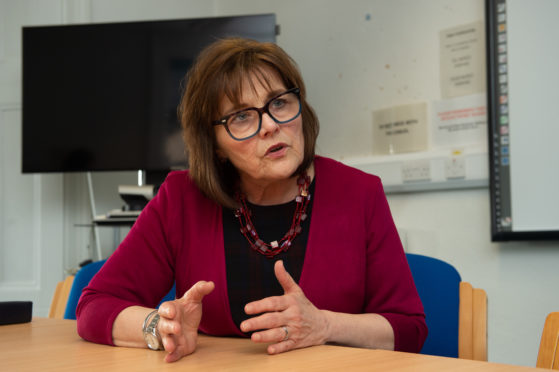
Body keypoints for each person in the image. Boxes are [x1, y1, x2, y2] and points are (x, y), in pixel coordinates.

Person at [76, 37, 427, 363]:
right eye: (242, 116)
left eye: (279, 103)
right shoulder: (180, 199)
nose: (271, 125)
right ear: (214, 145)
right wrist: (160, 327)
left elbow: (408, 329)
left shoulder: (359, 193)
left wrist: (325, 326)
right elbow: (95, 306)